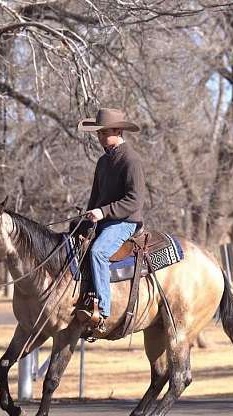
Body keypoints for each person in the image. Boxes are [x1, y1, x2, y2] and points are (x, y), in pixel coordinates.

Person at [76, 108, 146, 334]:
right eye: (98, 133)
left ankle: (103, 310)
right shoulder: (102, 162)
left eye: (104, 133)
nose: (100, 137)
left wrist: (103, 212)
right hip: (104, 219)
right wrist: (87, 221)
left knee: (98, 252)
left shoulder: (131, 160)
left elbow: (134, 201)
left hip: (125, 222)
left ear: (118, 131)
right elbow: (94, 198)